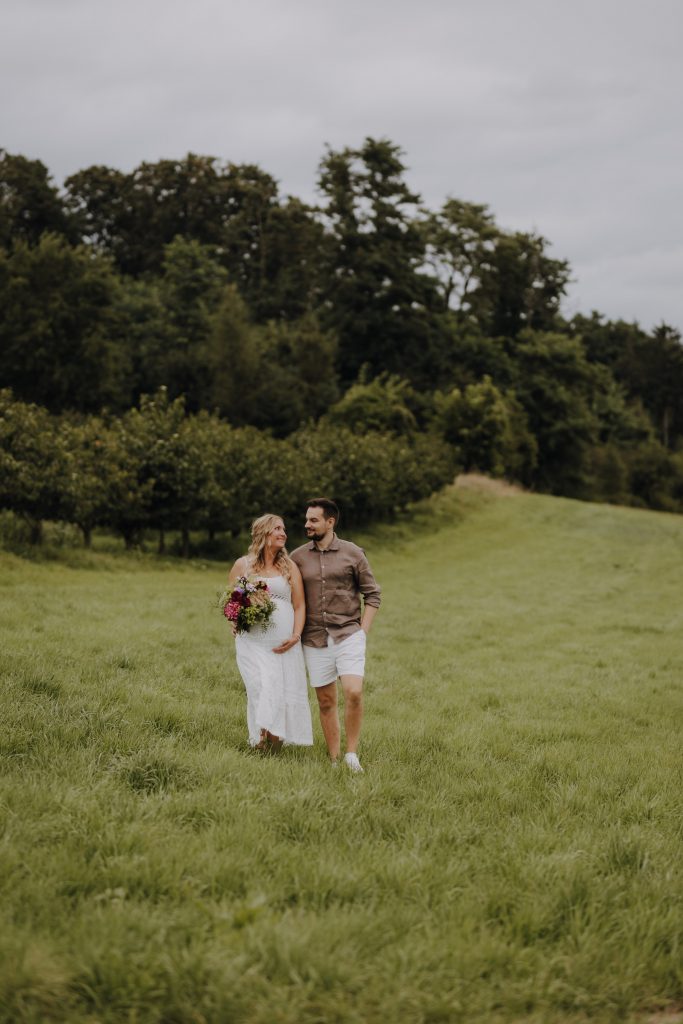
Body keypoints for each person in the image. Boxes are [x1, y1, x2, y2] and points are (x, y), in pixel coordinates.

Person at [291, 498, 381, 772]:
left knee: (354, 692)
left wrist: (363, 631)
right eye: (307, 519)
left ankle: (351, 754)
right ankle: (333, 759)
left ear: (330, 522)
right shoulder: (297, 558)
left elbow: (372, 594)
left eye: (313, 520)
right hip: (314, 639)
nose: (307, 524)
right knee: (326, 701)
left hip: (348, 635)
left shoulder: (353, 553)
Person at [228, 514, 313, 752]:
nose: (283, 533)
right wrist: (234, 621)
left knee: (279, 689)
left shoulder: (289, 566)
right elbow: (231, 601)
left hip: (283, 643)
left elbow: (299, 605)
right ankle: (259, 738)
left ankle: (274, 743)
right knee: (259, 686)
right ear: (263, 533)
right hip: (252, 641)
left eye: (283, 529)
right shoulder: (243, 565)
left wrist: (296, 636)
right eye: (277, 528)